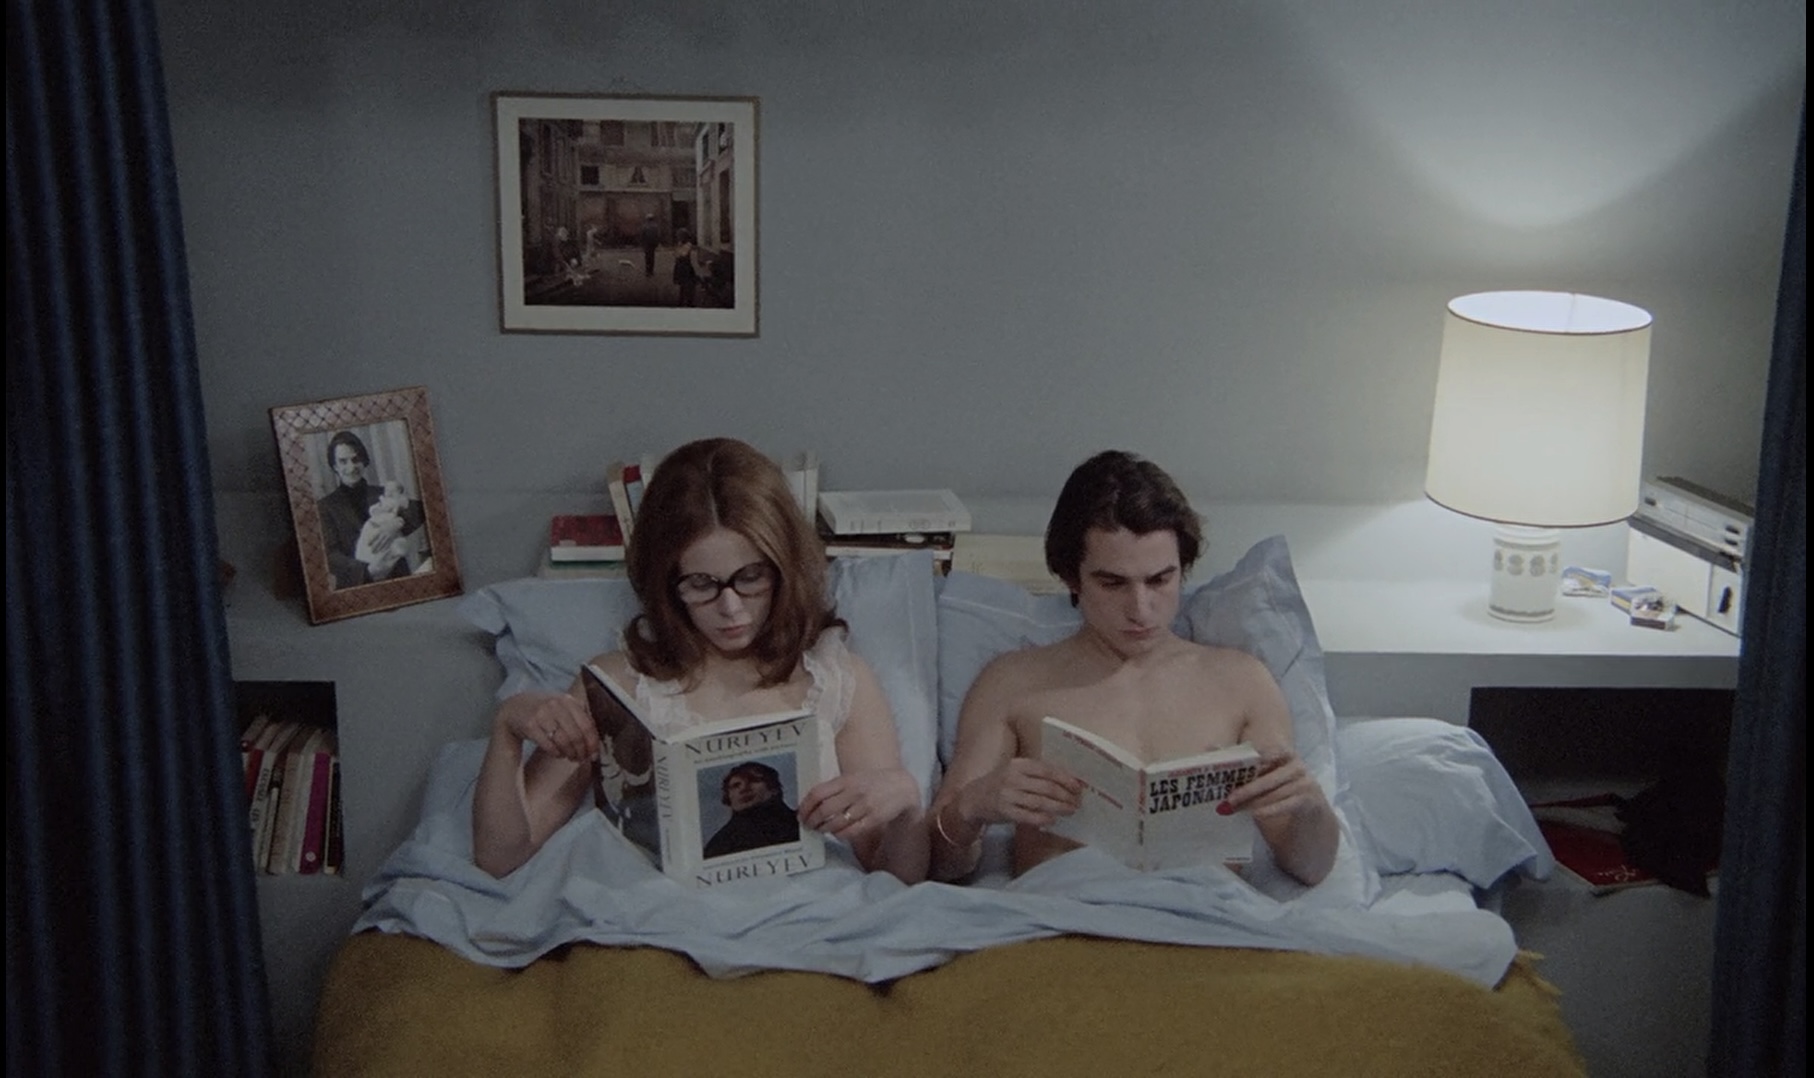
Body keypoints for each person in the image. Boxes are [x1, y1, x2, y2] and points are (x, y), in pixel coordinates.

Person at [472, 437, 928, 883]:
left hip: (808, 911)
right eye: (702, 584)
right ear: (667, 586)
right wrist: (508, 728)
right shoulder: (617, 686)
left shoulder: (837, 679)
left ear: (784, 569)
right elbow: (500, 857)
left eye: (751, 577)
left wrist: (905, 803)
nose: (731, 608)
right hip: (655, 913)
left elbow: (896, 875)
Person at [927, 450, 1339, 886]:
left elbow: (1310, 867)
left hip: (1203, 915)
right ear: (1071, 577)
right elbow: (938, 867)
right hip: (1062, 914)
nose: (1140, 609)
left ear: (1182, 571)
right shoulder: (1014, 682)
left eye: (1160, 580)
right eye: (1113, 583)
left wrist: (1309, 808)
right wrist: (971, 807)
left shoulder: (1241, 681)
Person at [316, 429, 427, 589]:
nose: (351, 467)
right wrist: (367, 571)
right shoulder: (325, 506)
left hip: (397, 578)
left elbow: (422, 510)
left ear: (364, 461)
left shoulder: (384, 494)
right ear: (335, 466)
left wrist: (396, 523)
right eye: (343, 461)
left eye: (355, 459)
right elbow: (330, 554)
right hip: (357, 584)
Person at [703, 761, 801, 859]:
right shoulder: (719, 844)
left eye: (754, 780)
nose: (744, 788)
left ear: (773, 789)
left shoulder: (800, 822)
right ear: (728, 797)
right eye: (736, 785)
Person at [672, 227, 702, 308]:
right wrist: (679, 249)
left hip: (686, 267)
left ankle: (688, 302)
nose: (678, 238)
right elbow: (676, 255)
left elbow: (683, 254)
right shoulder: (680, 244)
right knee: (684, 285)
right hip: (681, 267)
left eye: (680, 237)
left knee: (689, 285)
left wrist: (679, 249)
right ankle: (682, 302)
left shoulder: (688, 244)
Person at [638, 213, 661, 277]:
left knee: (647, 257)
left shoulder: (645, 226)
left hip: (647, 244)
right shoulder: (656, 226)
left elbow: (642, 236)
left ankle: (648, 271)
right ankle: (651, 271)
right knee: (652, 257)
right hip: (653, 244)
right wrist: (657, 243)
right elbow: (658, 236)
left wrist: (642, 243)